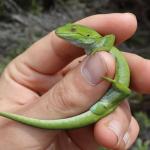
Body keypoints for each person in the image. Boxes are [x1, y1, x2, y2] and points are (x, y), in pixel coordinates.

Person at [1, 13, 147, 150]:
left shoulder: (101, 43)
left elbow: (111, 36)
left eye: (73, 29)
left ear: (87, 34)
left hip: (113, 96)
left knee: (121, 96)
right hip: (103, 102)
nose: (67, 31)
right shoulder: (96, 50)